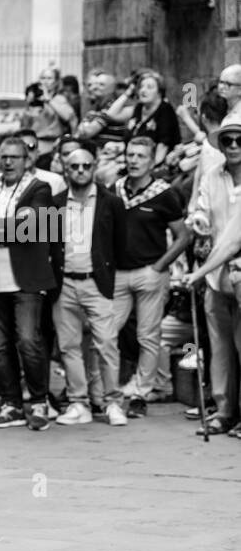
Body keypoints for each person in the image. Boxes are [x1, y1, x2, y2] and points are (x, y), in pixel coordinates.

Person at [0, 135, 57, 431]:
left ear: (26, 160)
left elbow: (35, 228)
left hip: (26, 279)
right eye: (3, 157)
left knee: (29, 341)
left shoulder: (39, 188)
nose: (7, 162)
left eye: (14, 157)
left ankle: (40, 401)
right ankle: (12, 404)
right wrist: (9, 228)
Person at [50, 142, 128, 427]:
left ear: (94, 167)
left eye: (86, 166)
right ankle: (78, 402)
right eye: (74, 166)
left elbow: (119, 244)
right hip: (65, 282)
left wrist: (108, 276)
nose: (81, 171)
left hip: (97, 282)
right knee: (69, 345)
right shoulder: (55, 203)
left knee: (107, 343)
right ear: (66, 169)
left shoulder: (111, 202)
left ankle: (112, 402)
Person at [112, 135, 187, 417]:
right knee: (107, 332)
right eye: (130, 155)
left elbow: (183, 237)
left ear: (152, 159)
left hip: (149, 272)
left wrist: (159, 266)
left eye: (141, 156)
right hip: (119, 272)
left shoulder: (164, 193)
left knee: (148, 336)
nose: (134, 161)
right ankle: (108, 390)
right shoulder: (115, 188)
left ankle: (141, 394)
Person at [183, 113, 241, 434]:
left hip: (234, 269)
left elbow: (234, 241)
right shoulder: (211, 177)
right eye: (227, 141)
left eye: (239, 140)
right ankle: (223, 410)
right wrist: (199, 222)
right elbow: (200, 210)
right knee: (219, 347)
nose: (233, 146)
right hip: (216, 276)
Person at [104, 70, 180, 165]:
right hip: (132, 160)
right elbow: (111, 114)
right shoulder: (139, 107)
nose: (143, 90)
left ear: (159, 92)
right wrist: (129, 91)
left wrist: (151, 168)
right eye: (141, 87)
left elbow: (163, 147)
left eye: (149, 87)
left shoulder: (165, 110)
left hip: (152, 165)